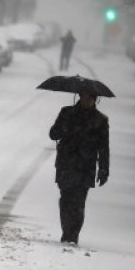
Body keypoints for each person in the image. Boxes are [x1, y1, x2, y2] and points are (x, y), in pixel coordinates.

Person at [48, 90, 109, 245]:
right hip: (66, 164)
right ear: (80, 97)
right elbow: (53, 134)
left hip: (85, 167)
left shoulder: (100, 120)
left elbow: (104, 147)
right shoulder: (66, 113)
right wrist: (63, 128)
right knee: (66, 199)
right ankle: (66, 231)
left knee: (79, 202)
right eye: (85, 96)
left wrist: (103, 169)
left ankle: (72, 235)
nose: (87, 100)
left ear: (95, 100)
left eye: (91, 98)